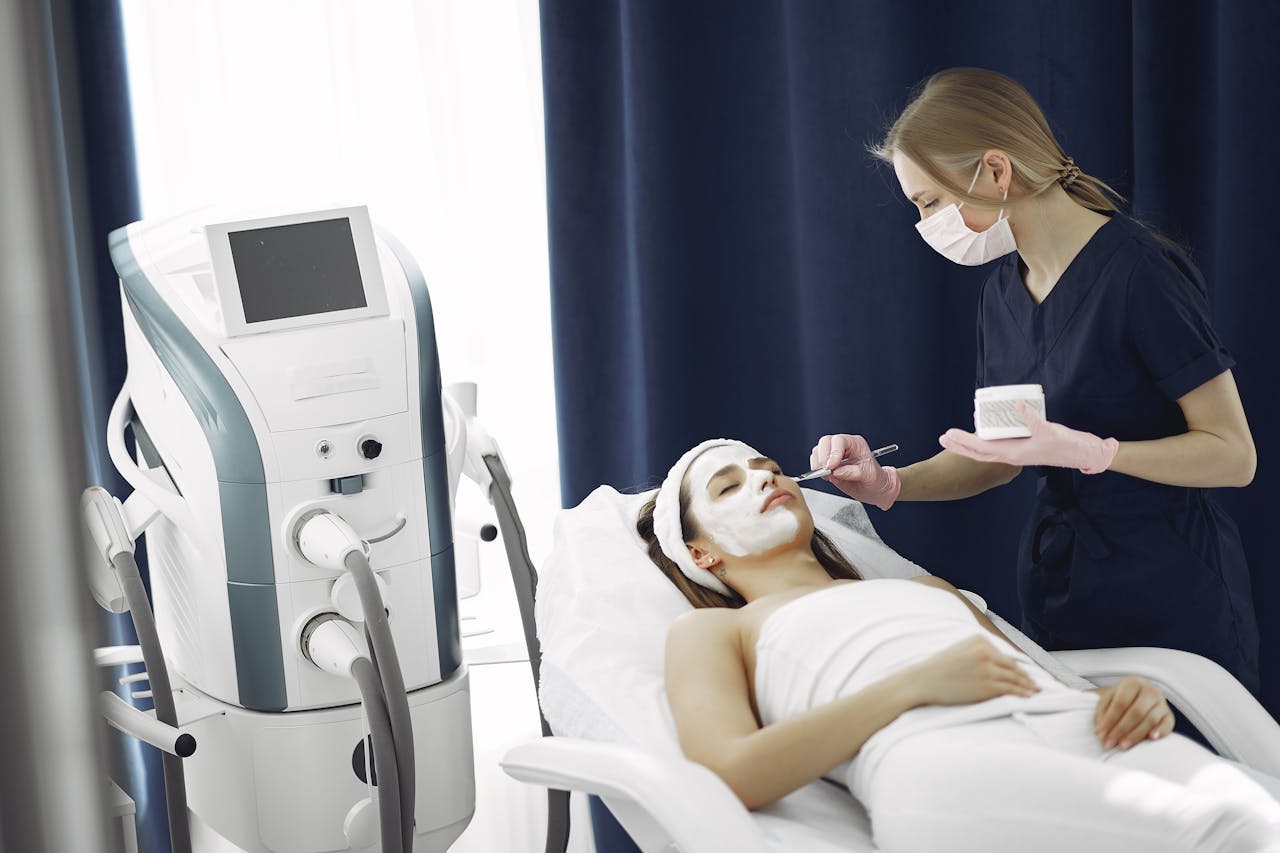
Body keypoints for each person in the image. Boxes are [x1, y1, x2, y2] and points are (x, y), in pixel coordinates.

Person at [812, 67, 1258, 695]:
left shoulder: (1139, 275)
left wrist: (1100, 454)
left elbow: (1235, 456)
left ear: (996, 170)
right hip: (1061, 591)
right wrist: (888, 483)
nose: (926, 225)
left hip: (1170, 591)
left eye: (930, 203)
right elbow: (997, 460)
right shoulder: (1003, 293)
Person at [636, 438, 1279, 852]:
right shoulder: (715, 630)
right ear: (699, 553)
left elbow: (1047, 681)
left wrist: (1129, 699)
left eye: (769, 469)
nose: (764, 480)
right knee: (1230, 835)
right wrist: (915, 685)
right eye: (728, 486)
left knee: (1264, 816)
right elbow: (729, 771)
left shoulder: (926, 589)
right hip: (939, 760)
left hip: (1081, 729)